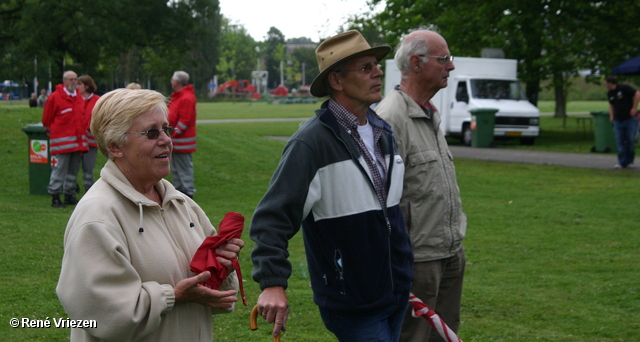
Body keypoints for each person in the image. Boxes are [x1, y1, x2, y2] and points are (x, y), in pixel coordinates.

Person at [250, 30, 414, 342]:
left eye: (376, 65)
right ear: (336, 81)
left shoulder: (384, 131)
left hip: (395, 289)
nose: (379, 71)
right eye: (366, 68)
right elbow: (271, 220)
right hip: (351, 299)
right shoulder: (311, 143)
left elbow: (388, 212)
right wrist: (272, 281)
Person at [56, 88, 243, 342]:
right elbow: (100, 315)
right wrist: (173, 296)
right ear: (115, 146)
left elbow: (216, 294)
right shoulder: (97, 217)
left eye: (167, 129)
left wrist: (222, 266)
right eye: (152, 133)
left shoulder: (182, 204)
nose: (166, 139)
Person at [376, 29, 467, 342]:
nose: (451, 67)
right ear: (416, 63)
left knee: (444, 334)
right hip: (417, 259)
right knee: (414, 336)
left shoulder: (429, 113)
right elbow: (379, 197)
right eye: (444, 60)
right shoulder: (390, 117)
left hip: (449, 251)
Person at [42, 71, 87, 207]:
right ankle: (55, 197)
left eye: (76, 79)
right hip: (61, 143)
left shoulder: (79, 98)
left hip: (77, 143)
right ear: (65, 81)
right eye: (71, 79)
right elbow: (46, 119)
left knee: (73, 171)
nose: (74, 82)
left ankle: (69, 195)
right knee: (59, 170)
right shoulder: (55, 97)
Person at [168, 71, 197, 198]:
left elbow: (185, 119)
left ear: (177, 82)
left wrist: (173, 133)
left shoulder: (186, 97)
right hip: (177, 140)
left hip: (182, 140)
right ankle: (179, 190)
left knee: (184, 167)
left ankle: (188, 191)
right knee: (176, 167)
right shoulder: (180, 96)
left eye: (172, 79)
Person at [605, 75, 640, 169]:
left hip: (629, 119)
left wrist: (634, 108)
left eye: (606, 83)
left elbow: (637, 94)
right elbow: (611, 105)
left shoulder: (624, 88)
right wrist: (611, 116)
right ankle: (622, 162)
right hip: (618, 120)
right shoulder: (610, 93)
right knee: (620, 141)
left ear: (611, 83)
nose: (605, 85)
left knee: (630, 140)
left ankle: (629, 159)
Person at [77, 75, 100, 192]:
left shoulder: (97, 100)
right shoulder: (75, 99)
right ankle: (70, 191)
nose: (77, 87)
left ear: (87, 86)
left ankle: (89, 191)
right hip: (75, 141)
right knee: (72, 169)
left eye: (79, 84)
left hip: (90, 142)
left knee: (88, 169)